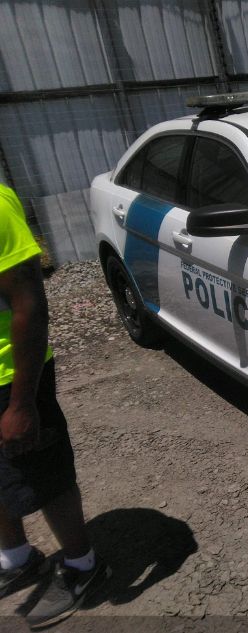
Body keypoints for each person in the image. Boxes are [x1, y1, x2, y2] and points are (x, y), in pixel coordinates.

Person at [0, 183, 109, 628]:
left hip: (10, 379)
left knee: (45, 477)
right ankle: (17, 559)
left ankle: (84, 564)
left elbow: (29, 304)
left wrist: (23, 404)